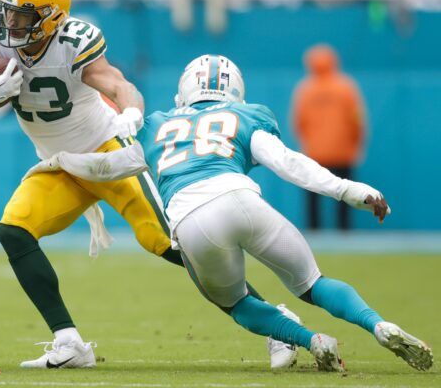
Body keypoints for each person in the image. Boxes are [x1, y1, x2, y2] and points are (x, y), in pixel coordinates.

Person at [0, 0, 296, 370]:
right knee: (14, 232)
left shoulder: (75, 41)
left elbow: (118, 85)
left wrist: (130, 113)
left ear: (52, 16)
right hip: (61, 164)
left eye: (21, 14)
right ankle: (69, 342)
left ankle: (276, 324)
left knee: (172, 245)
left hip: (109, 153)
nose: (9, 22)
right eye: (6, 10)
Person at [26, 54, 433, 372]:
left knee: (235, 302)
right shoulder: (245, 115)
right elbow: (291, 164)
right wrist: (351, 190)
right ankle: (378, 324)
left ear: (184, 90)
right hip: (244, 199)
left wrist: (58, 160)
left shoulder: (156, 125)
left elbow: (104, 167)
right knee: (313, 284)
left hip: (192, 218)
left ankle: (312, 341)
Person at [291, 45, 366, 230]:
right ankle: (344, 235)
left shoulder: (305, 90)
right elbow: (357, 120)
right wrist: (356, 145)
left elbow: (299, 122)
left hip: (314, 153)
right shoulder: (346, 88)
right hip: (343, 152)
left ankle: (314, 235)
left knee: (313, 200)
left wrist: (308, 143)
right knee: (345, 196)